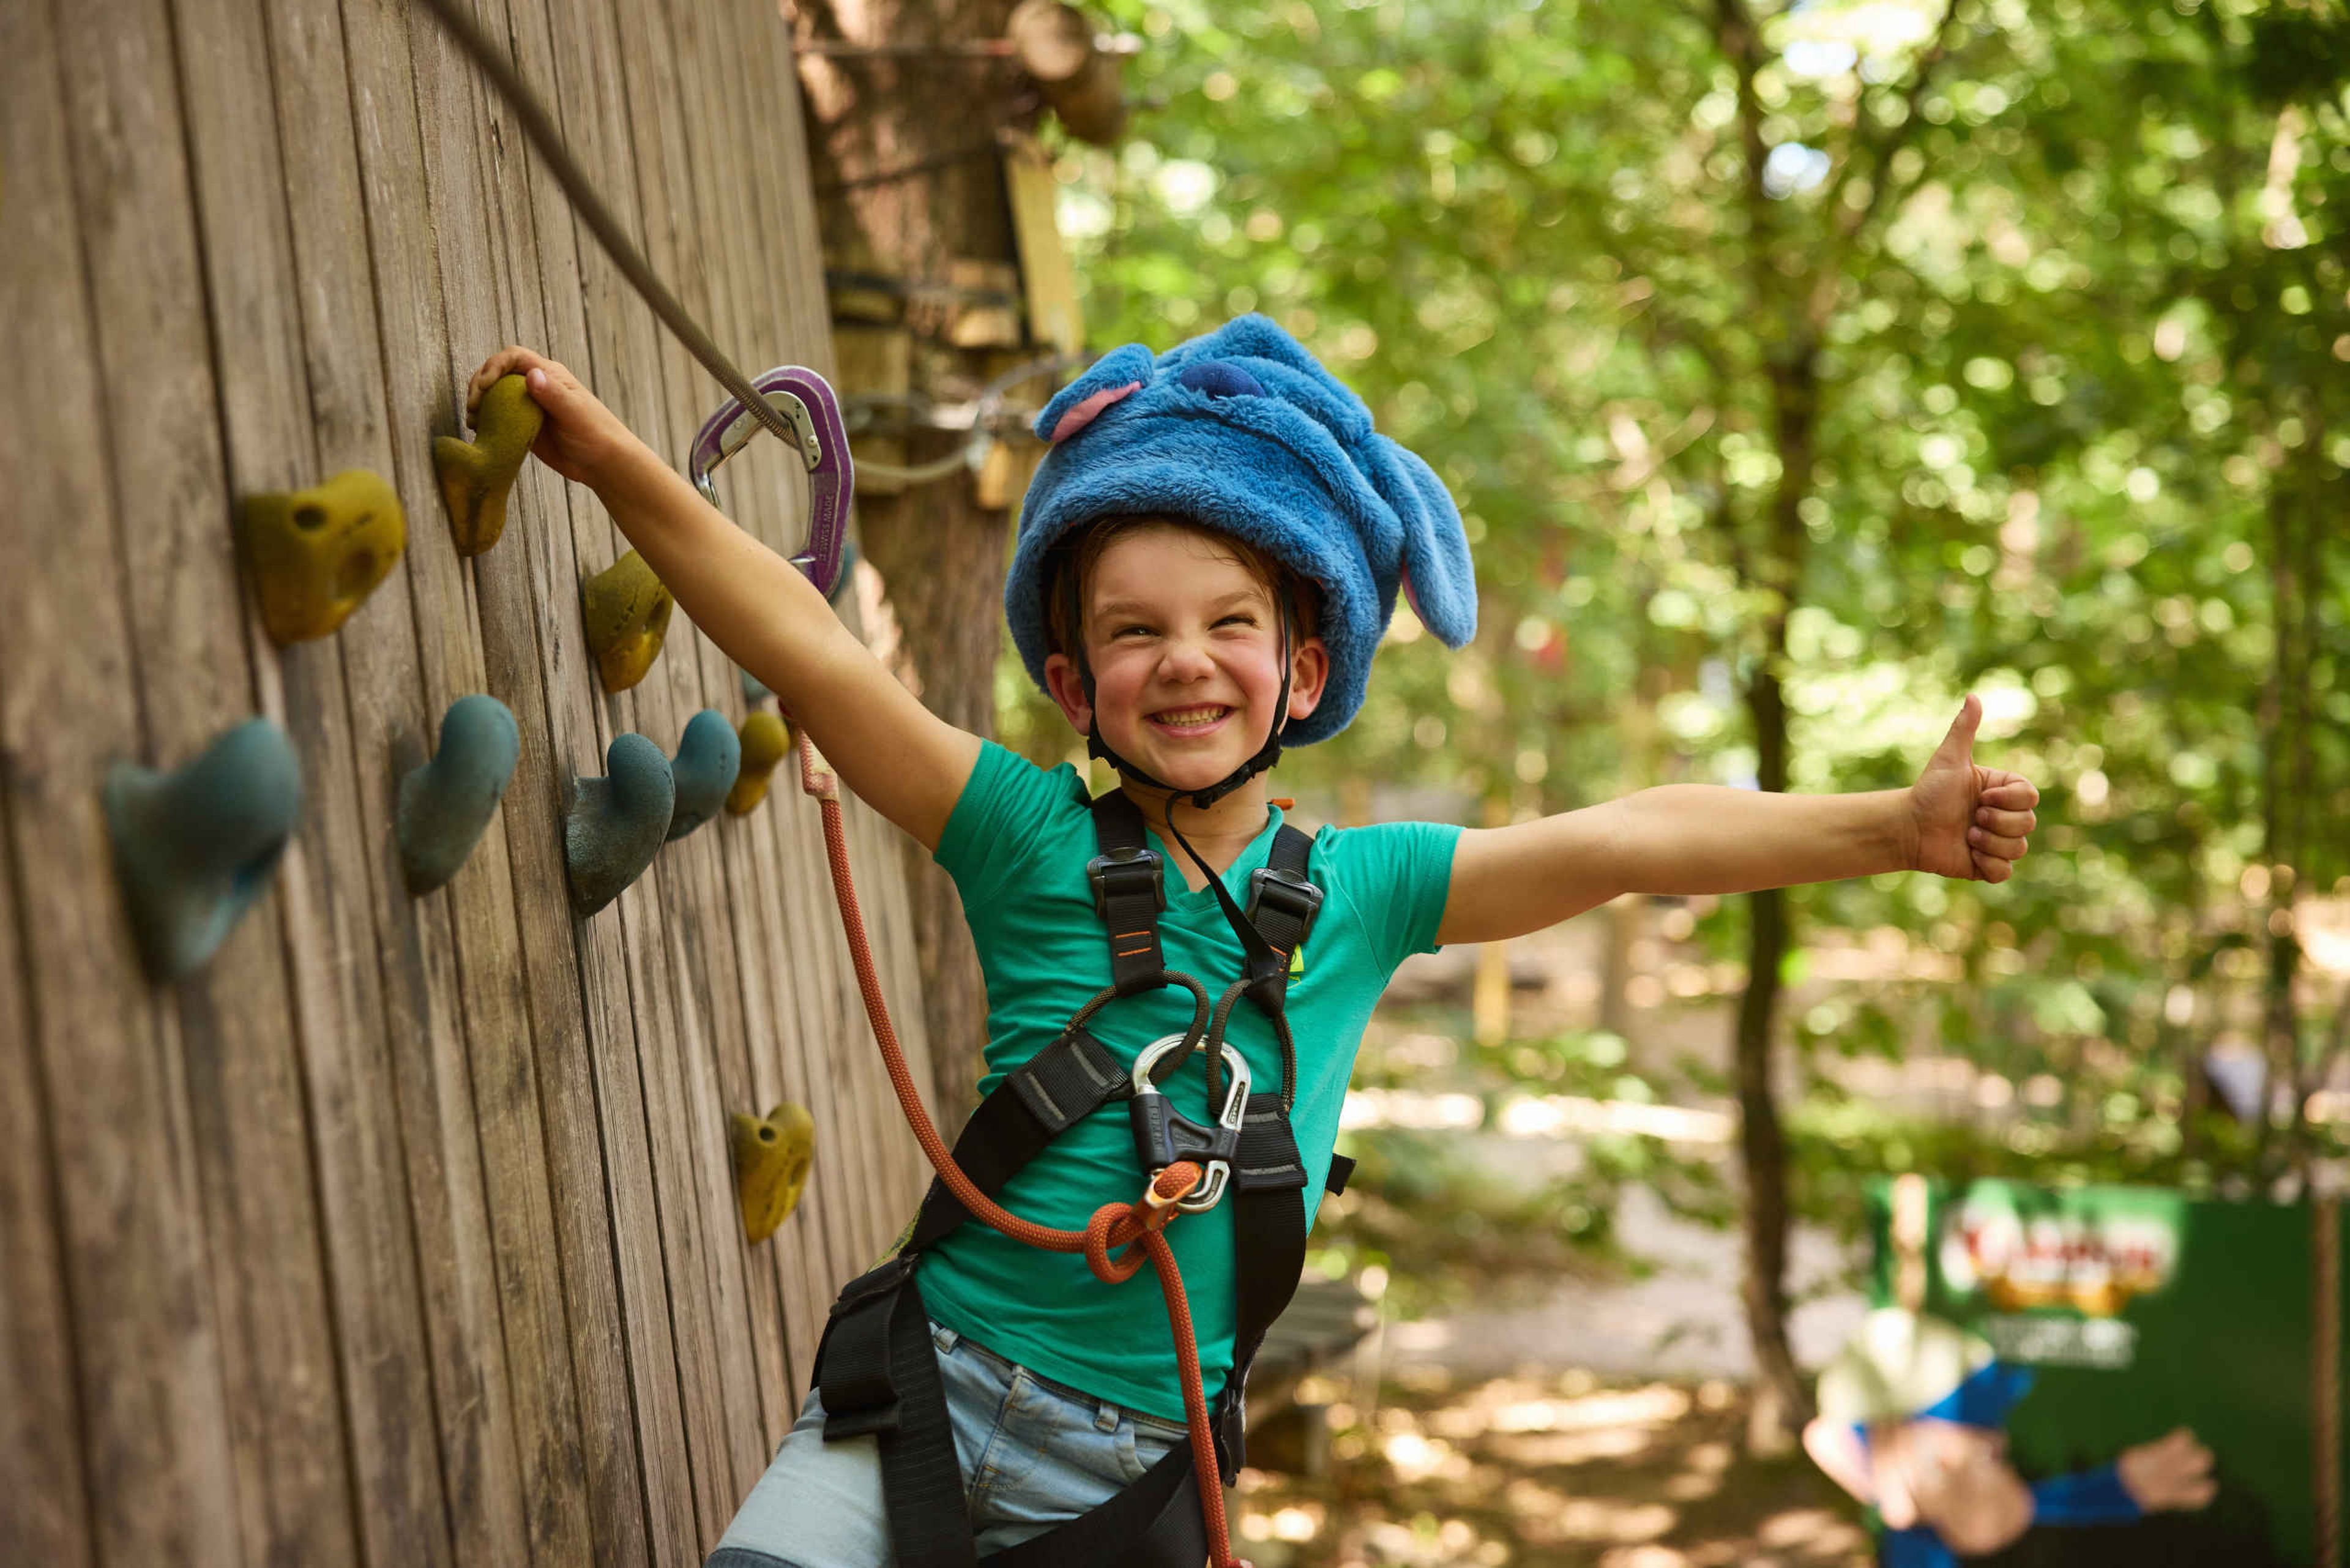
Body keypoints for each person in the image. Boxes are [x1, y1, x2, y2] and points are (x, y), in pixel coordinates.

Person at [465, 315, 2043, 1567]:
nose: (1184, 663)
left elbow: (1628, 840)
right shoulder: (1019, 834)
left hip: (1140, 1481)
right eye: (1133, 631)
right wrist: (606, 460)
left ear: (1300, 674)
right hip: (915, 1411)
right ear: (1076, 690)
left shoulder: (1364, 891)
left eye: (1228, 625)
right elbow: (810, 649)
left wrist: (1886, 833)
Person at [1803, 1309, 2217, 1567]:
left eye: (1992, 1431)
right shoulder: (1924, 1527)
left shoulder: (1940, 1506)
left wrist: (2118, 1489)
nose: (1996, 1444)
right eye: (1976, 1430)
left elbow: (2025, 1505)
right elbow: (1824, 1438)